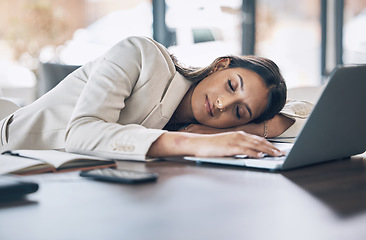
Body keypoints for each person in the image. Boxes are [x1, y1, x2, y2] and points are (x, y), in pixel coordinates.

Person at [0, 36, 310, 159]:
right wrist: (199, 142)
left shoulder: (212, 124)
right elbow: (81, 133)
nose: (221, 106)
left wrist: (246, 130)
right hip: (12, 156)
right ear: (220, 65)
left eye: (240, 111)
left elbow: (304, 112)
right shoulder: (141, 55)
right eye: (231, 86)